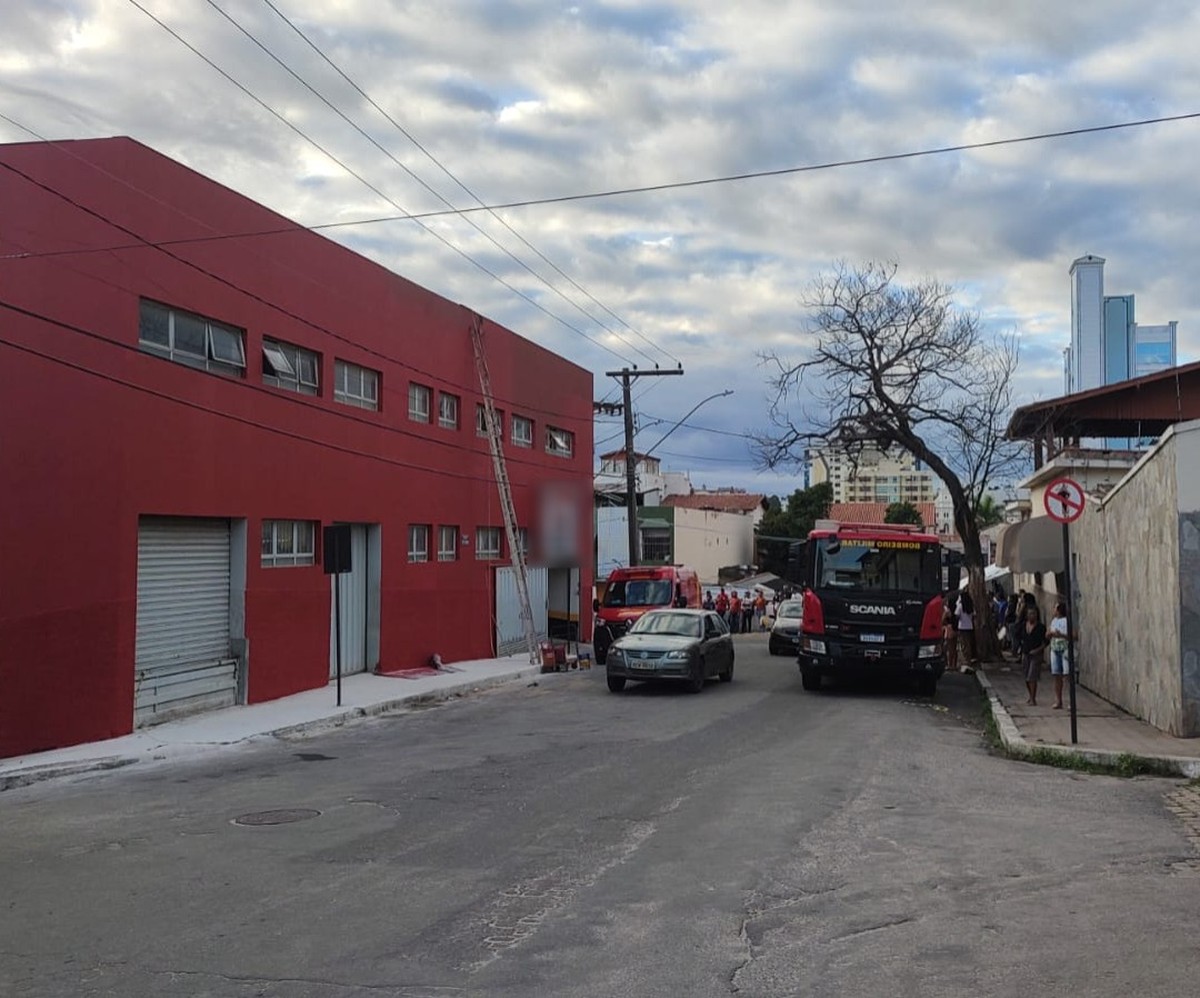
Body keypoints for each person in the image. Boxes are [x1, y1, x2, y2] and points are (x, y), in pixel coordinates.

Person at [1020, 604, 1047, 706]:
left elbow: (1045, 642)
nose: (1032, 616)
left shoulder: (1041, 627)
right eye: (1030, 614)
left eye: (1034, 614)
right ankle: (1030, 695)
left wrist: (1037, 650)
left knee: (1032, 677)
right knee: (1026, 676)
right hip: (1026, 653)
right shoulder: (1024, 625)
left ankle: (1033, 698)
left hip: (1036, 655)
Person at [1048, 602, 1073, 709]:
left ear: (1058, 609)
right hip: (1055, 648)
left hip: (1065, 648)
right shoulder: (1054, 621)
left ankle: (1071, 701)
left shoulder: (1067, 621)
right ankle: (1058, 700)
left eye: (1054, 608)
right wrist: (1050, 634)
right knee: (1056, 675)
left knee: (1067, 675)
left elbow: (1074, 635)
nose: (1053, 610)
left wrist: (1061, 635)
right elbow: (1048, 633)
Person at [957, 590, 976, 669]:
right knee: (968, 644)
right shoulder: (971, 606)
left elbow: (957, 615)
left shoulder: (960, 606)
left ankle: (965, 660)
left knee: (963, 644)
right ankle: (969, 660)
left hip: (962, 627)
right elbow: (974, 615)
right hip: (969, 627)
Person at [942, 591, 959, 674]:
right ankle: (954, 664)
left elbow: (942, 620)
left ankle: (949, 664)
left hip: (949, 629)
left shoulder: (948, 611)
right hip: (956, 629)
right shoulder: (956, 609)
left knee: (948, 648)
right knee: (954, 648)